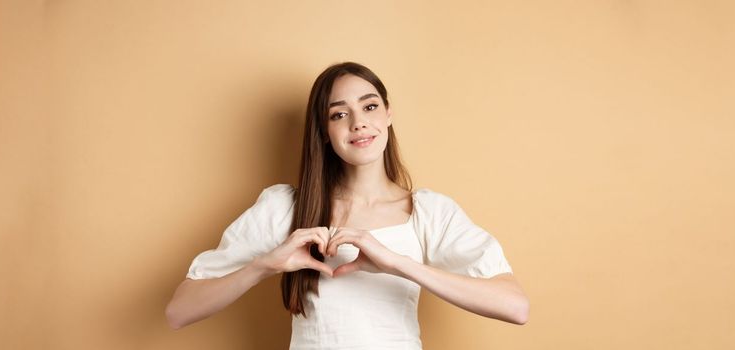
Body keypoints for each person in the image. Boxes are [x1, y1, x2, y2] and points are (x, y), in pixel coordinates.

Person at [165, 61, 529, 349]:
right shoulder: (286, 208)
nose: (359, 123)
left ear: (388, 114)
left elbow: (515, 306)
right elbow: (179, 311)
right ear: (324, 132)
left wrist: (398, 264)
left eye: (369, 107)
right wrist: (263, 265)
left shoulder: (428, 213)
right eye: (339, 114)